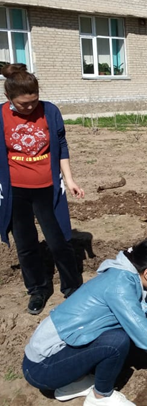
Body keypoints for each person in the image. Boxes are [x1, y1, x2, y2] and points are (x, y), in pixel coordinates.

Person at [22, 237, 147, 406]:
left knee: (117, 335)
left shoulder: (124, 276)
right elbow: (143, 334)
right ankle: (100, 397)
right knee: (118, 340)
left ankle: (74, 384)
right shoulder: (120, 288)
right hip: (41, 368)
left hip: (46, 359)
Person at [0, 63, 84, 315]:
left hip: (47, 188)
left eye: (34, 101)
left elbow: (61, 145)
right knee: (25, 245)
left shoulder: (50, 111)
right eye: (23, 103)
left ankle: (73, 288)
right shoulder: (1, 114)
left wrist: (69, 179)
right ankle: (38, 289)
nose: (30, 107)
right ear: (9, 98)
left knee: (59, 241)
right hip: (15, 191)